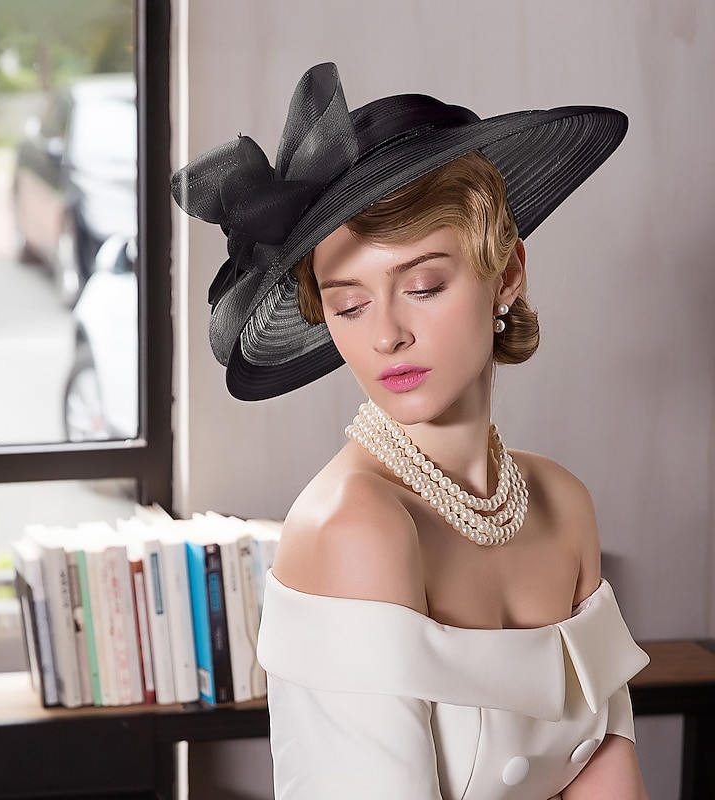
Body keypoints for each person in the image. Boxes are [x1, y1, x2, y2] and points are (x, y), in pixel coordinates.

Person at [173, 63, 650, 800]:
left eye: (423, 286)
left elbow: (606, 766)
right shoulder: (353, 528)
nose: (386, 334)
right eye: (349, 305)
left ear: (507, 273)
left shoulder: (562, 503)